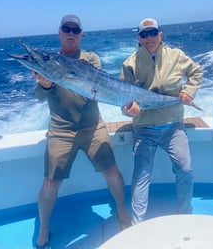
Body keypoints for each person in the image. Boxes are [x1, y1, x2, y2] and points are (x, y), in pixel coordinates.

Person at [34, 15, 131, 249]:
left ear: (80, 35)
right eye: (66, 29)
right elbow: (39, 95)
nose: (71, 32)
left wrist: (127, 102)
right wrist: (45, 85)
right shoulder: (50, 63)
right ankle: (44, 228)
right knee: (51, 183)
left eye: (75, 30)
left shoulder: (90, 59)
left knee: (112, 172)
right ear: (59, 32)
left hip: (93, 127)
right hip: (61, 130)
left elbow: (96, 85)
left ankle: (122, 212)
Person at [120, 17, 203, 225]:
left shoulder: (176, 56)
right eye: (144, 34)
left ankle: (185, 212)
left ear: (160, 34)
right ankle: (137, 225)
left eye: (153, 33)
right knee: (140, 176)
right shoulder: (129, 63)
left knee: (185, 169)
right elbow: (123, 100)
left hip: (173, 127)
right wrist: (130, 111)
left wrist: (188, 91)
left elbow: (196, 72)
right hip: (144, 129)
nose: (149, 38)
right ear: (138, 38)